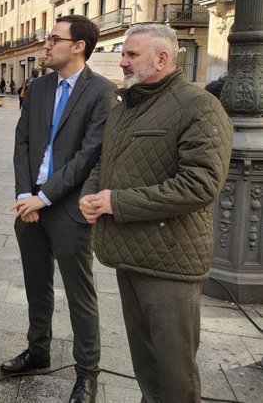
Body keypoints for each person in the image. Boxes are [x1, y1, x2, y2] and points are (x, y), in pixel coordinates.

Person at [79, 24, 233, 403]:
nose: (122, 61)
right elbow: (103, 163)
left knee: (173, 368)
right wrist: (91, 195)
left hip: (171, 260)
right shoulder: (123, 108)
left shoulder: (198, 106)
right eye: (124, 53)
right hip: (127, 253)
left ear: (162, 58)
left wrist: (117, 203)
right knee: (145, 361)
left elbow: (200, 185)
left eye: (132, 54)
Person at [5, 15, 116, 403]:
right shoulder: (36, 88)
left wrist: (46, 196)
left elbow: (88, 156)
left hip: (69, 209)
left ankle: (87, 375)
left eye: (54, 38)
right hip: (30, 206)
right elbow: (21, 143)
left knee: (79, 294)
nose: (46, 44)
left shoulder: (102, 92)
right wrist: (25, 196)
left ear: (78, 46)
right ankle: (38, 352)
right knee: (36, 285)